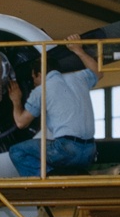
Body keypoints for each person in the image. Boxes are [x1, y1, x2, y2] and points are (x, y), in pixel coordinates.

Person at [7, 33, 103, 177]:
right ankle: (72, 174)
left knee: (17, 151)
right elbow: (98, 72)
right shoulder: (79, 78)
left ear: (39, 74)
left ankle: (50, 178)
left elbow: (21, 122)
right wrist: (79, 50)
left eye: (33, 78)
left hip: (66, 150)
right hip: (90, 152)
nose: (33, 83)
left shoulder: (42, 89)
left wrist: (16, 100)